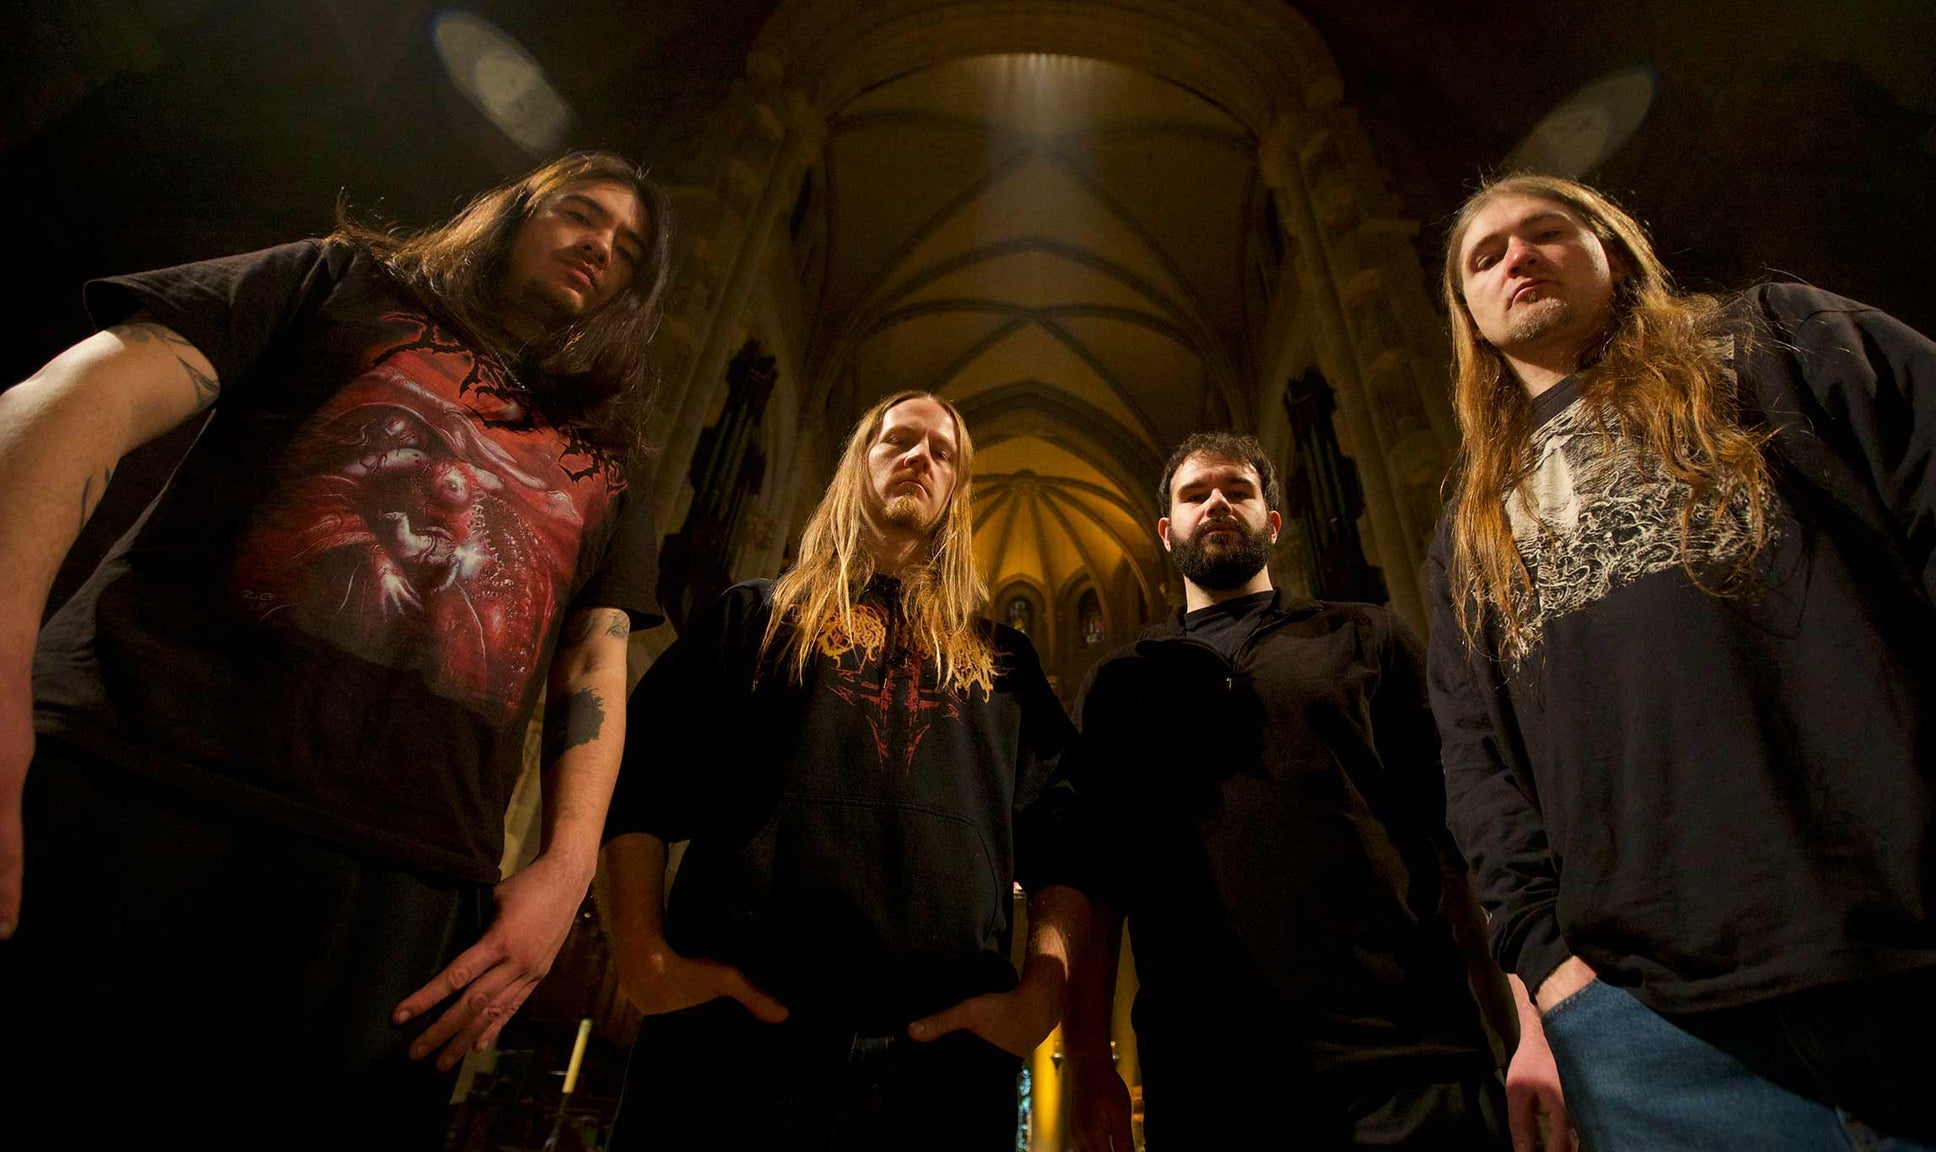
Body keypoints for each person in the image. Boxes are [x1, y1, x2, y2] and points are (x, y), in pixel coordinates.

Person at [0, 151, 673, 1145]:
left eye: (628, 249)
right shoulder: (343, 283)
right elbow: (69, 405)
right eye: (581, 213)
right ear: (513, 212)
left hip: (401, 887)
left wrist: (565, 867)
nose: (599, 247)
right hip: (135, 775)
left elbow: (596, 660)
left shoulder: (609, 454)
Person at [1427, 172, 1936, 1151]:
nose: (1517, 256)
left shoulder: (1776, 341)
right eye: (1485, 255)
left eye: (1546, 230)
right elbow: (1476, 761)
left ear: (1613, 251)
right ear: (1467, 313)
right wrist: (1546, 966)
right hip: (1655, 1044)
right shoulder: (1470, 525)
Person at [598, 391, 1090, 1150]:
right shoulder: (751, 618)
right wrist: (642, 957)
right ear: (858, 463)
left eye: (943, 453)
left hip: (941, 1069)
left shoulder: (1007, 666)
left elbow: (1067, 841)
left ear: (958, 492)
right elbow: (640, 787)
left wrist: (1042, 995)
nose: (920, 457)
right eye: (899, 440)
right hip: (735, 1048)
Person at [1061, 431, 1533, 1151]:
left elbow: (1461, 838)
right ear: (1166, 531)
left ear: (1274, 523)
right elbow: (1099, 891)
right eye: (1195, 494)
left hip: (1411, 1062)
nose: (1217, 503)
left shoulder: (1366, 635)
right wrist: (1091, 1060)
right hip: (1210, 1081)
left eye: (1237, 491)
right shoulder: (1119, 685)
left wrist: (1523, 1026)